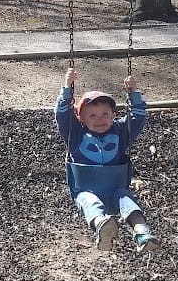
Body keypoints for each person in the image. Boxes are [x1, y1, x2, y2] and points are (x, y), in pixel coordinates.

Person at [54, 67, 160, 253]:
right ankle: (103, 227)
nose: (99, 119)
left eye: (105, 114)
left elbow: (138, 117)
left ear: (113, 116)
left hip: (115, 189)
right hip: (86, 188)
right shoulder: (76, 135)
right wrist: (67, 88)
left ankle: (142, 232)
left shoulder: (120, 132)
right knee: (89, 201)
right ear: (81, 119)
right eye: (92, 115)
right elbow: (62, 116)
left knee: (127, 199)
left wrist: (133, 93)